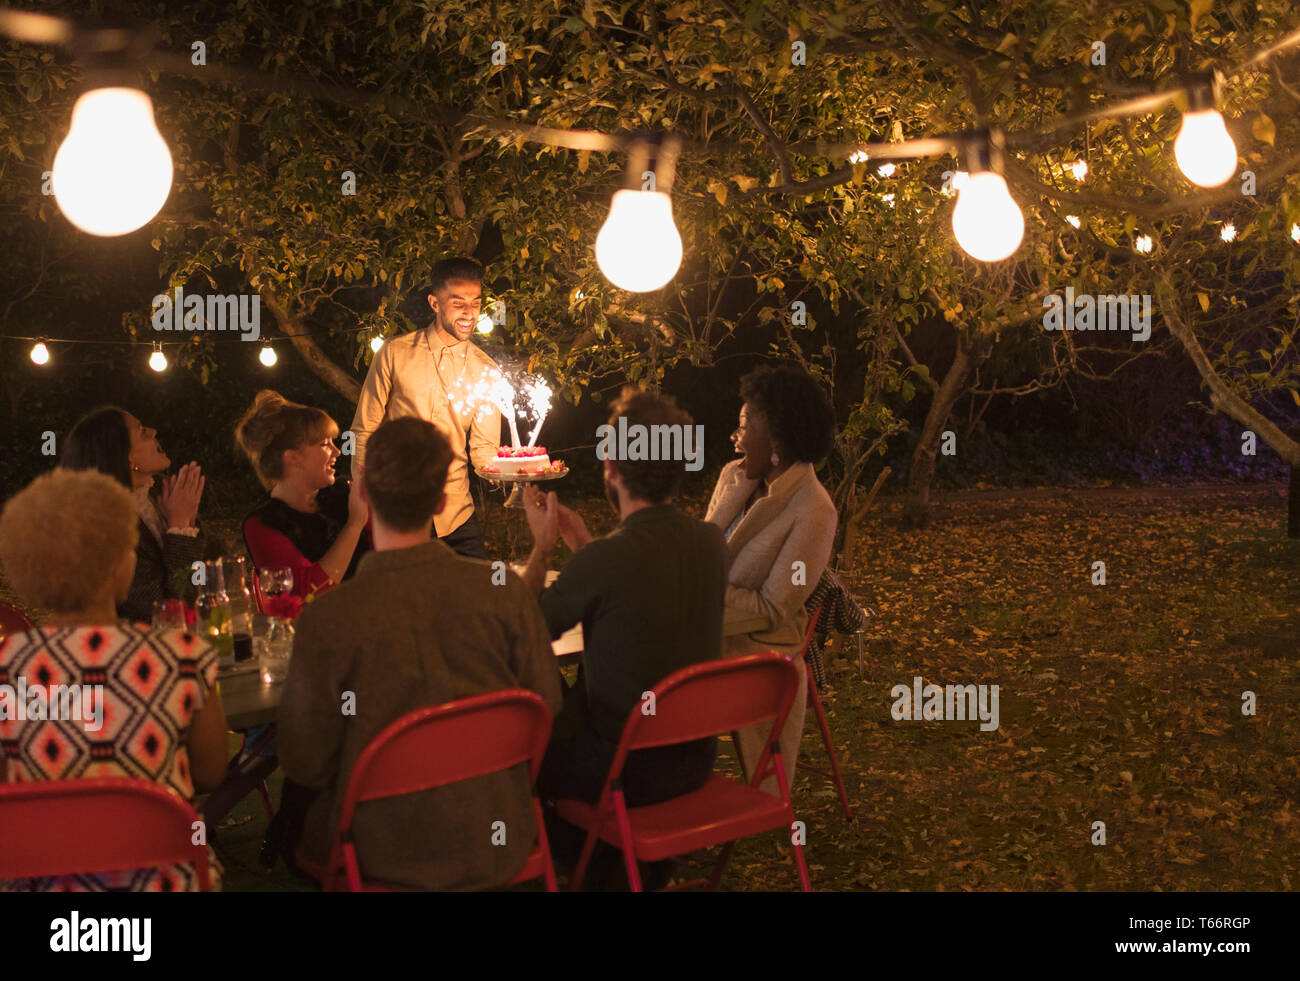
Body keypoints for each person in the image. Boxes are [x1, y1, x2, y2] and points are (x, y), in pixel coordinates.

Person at [277, 417, 562, 890]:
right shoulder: (504, 594)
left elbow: (306, 762)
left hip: (380, 850)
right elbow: (545, 707)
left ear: (363, 492)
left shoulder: (329, 619)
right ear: (441, 500)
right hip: (497, 837)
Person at [520, 388, 727, 888]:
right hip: (693, 758)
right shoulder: (710, 543)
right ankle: (619, 866)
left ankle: (578, 861)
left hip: (619, 768)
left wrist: (543, 550)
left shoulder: (606, 561)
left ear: (611, 467)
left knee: (511, 742)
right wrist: (586, 546)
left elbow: (524, 633)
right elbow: (643, 600)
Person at [0, 468, 228, 891]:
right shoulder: (182, 657)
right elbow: (212, 773)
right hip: (165, 880)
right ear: (123, 562)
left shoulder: (6, 668)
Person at [704, 364, 838, 793]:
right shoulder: (734, 477)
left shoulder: (814, 510)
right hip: (706, 627)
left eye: (745, 427)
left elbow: (773, 608)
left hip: (758, 652)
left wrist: (699, 593)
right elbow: (704, 555)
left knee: (642, 671)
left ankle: (655, 779)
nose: (736, 437)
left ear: (777, 438)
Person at [349, 257, 502, 559]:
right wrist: (365, 497)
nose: (469, 313)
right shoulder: (394, 352)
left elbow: (484, 452)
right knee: (400, 603)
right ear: (435, 303)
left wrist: (514, 474)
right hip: (396, 511)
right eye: (458, 303)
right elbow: (364, 429)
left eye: (476, 303)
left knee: (475, 598)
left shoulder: (487, 370)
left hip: (455, 517)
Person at [60, 406, 207, 623]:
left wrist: (188, 520)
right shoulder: (105, 528)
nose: (154, 431)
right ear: (125, 456)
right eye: (141, 431)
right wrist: (180, 528)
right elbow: (167, 614)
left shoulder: (159, 499)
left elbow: (214, 574)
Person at [235, 390, 371, 613]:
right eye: (324, 444)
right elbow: (305, 597)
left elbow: (387, 557)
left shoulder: (341, 495)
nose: (337, 452)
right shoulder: (264, 524)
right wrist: (354, 525)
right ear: (293, 457)